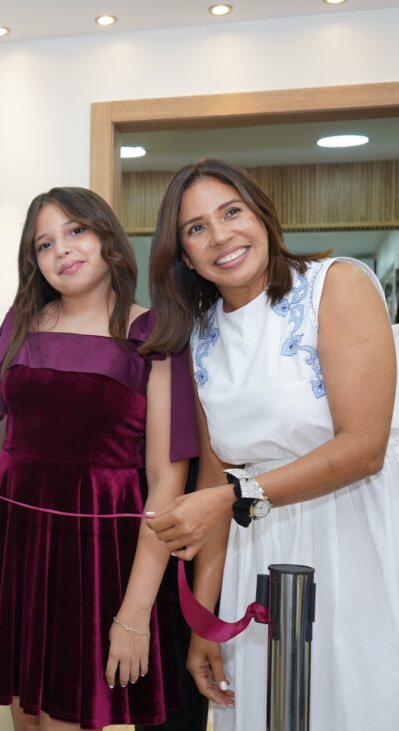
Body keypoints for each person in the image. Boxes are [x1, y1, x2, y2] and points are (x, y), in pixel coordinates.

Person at [143, 158, 399, 730]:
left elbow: (364, 446)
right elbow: (215, 478)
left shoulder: (336, 285)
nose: (221, 235)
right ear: (185, 256)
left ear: (261, 214)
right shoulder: (200, 334)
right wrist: (206, 622)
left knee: (357, 700)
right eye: (197, 228)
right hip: (257, 551)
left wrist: (233, 497)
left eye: (231, 212)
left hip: (353, 531)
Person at [0, 187, 198, 730]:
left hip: (96, 558)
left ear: (107, 237)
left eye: (76, 230)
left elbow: (164, 483)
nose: (63, 250)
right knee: (24, 719)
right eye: (44, 243)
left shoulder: (152, 336)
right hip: (16, 551)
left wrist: (135, 612)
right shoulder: (20, 325)